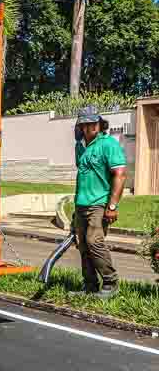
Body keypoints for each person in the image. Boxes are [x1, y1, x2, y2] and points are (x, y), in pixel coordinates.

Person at [73, 105, 127, 298]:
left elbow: (120, 175)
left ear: (100, 123)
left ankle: (111, 283)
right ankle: (90, 286)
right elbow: (84, 176)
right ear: (80, 127)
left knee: (94, 241)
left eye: (94, 123)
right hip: (81, 203)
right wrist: (76, 206)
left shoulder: (108, 144)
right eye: (86, 124)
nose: (90, 127)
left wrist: (112, 206)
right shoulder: (80, 147)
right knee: (83, 245)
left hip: (99, 203)